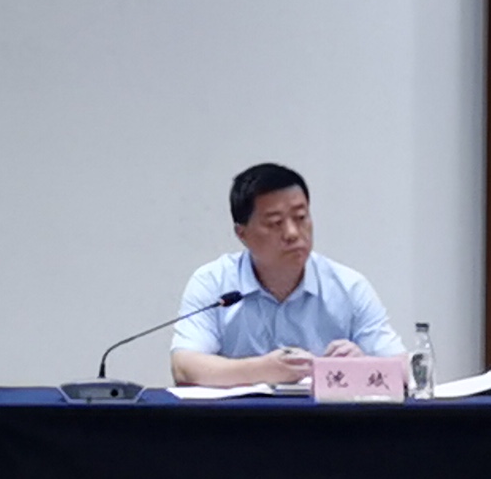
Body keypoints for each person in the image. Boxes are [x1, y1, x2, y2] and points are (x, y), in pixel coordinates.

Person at [167, 163, 401, 388]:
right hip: (239, 416)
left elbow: (405, 369)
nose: (292, 233)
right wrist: (263, 369)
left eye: (300, 218)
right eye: (275, 223)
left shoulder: (348, 286)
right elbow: (184, 368)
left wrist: (363, 366)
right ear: (242, 234)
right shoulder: (213, 282)